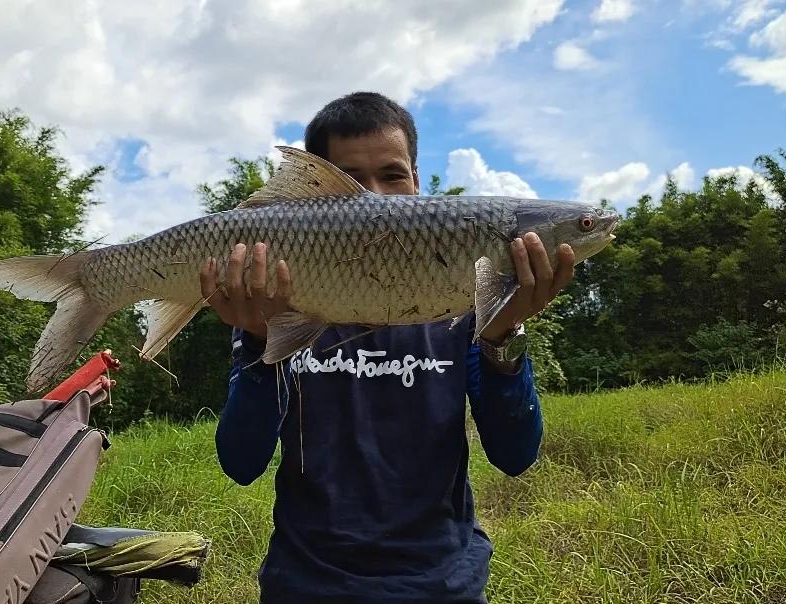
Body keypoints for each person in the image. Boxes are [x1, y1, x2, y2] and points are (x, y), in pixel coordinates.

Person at [200, 91, 575, 603]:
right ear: (311, 192)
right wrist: (261, 345)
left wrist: (501, 336)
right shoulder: (280, 304)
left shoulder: (463, 301)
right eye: (350, 181)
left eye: (393, 176)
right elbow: (241, 463)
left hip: (443, 584)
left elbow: (515, 455)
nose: (374, 197)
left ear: (417, 182)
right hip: (308, 584)